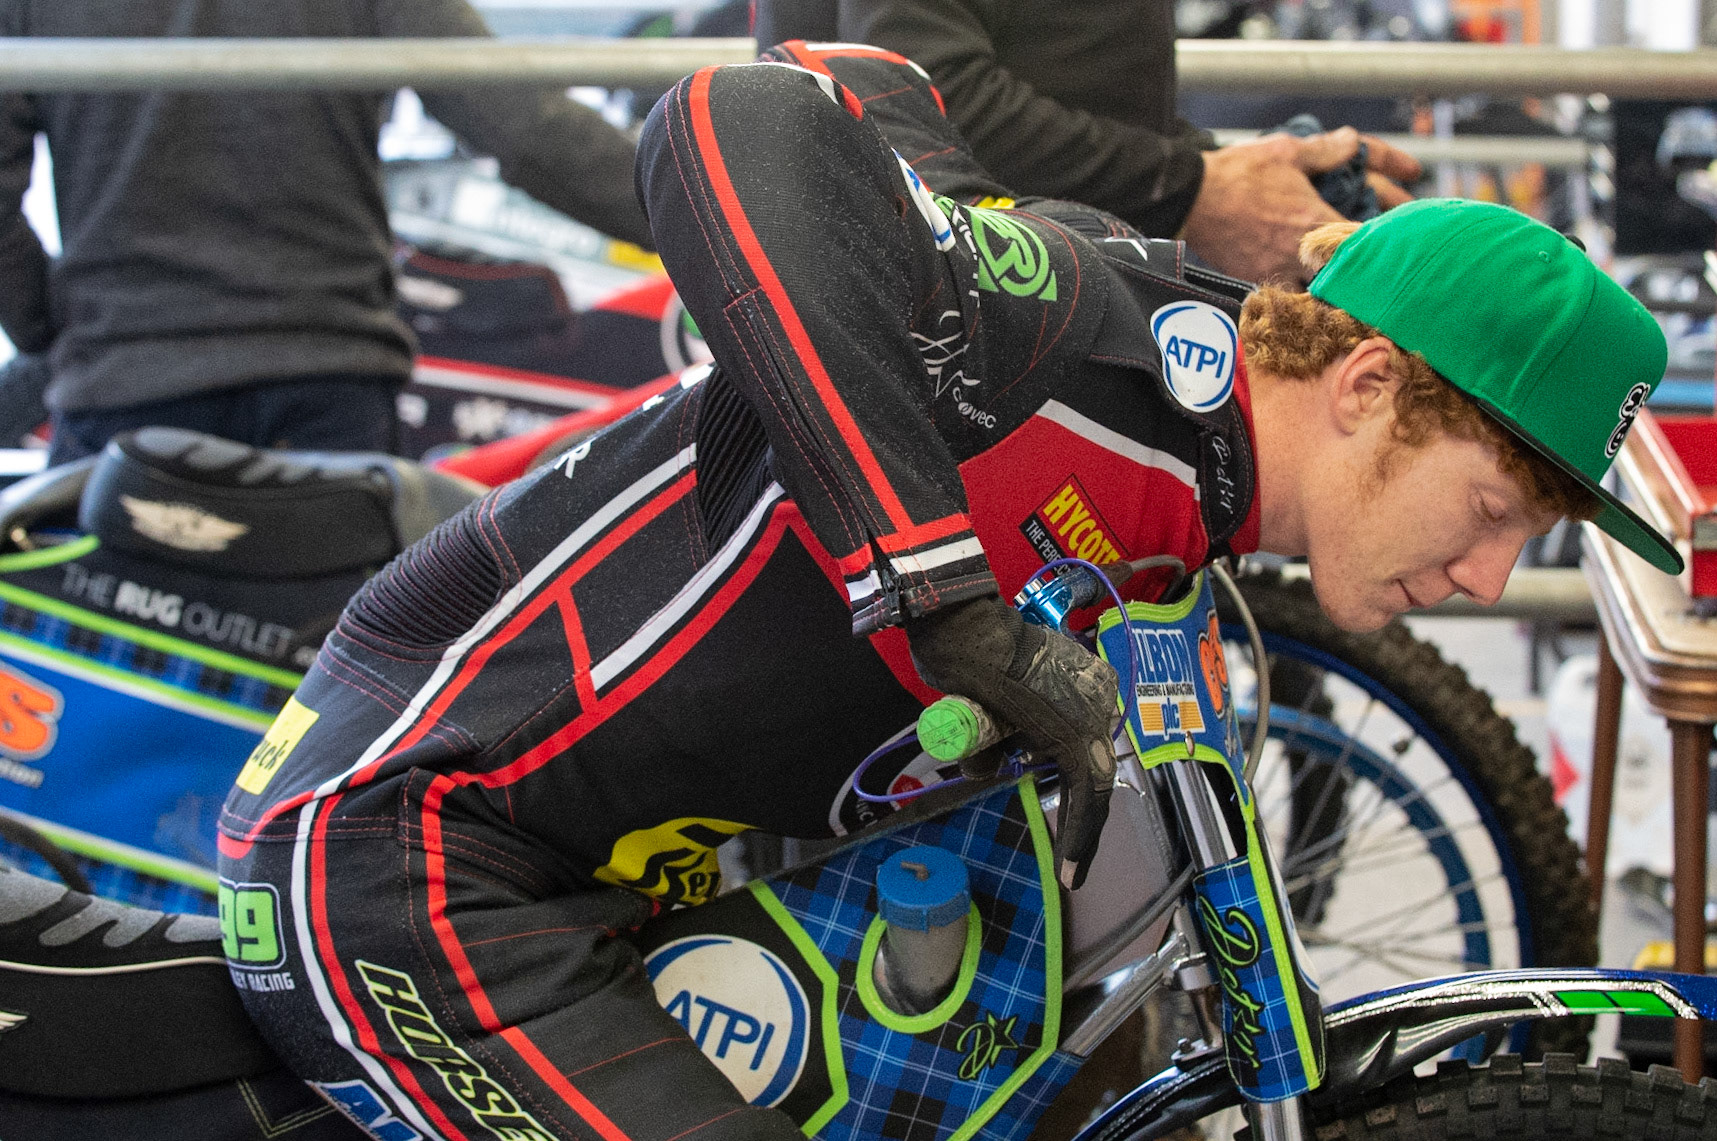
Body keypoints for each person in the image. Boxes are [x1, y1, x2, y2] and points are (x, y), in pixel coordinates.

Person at [217, 45, 1677, 1141]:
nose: (1488, 576)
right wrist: (935, 595)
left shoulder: (1196, 452)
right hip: (406, 863)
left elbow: (881, 87)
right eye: (1493, 510)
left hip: (595, 883)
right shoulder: (1079, 342)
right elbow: (742, 110)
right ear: (1366, 386)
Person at [0, 0, 655, 466]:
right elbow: (522, 125)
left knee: (96, 628)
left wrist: (51, 325)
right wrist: (697, 209)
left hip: (125, 385)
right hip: (325, 388)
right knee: (340, 632)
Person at [753, 0, 1425, 286]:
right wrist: (1195, 188)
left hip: (1031, 278)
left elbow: (1076, 66)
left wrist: (1236, 174)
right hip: (950, 309)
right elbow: (918, 98)